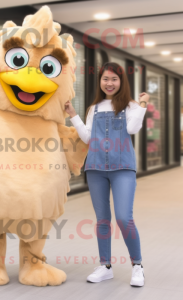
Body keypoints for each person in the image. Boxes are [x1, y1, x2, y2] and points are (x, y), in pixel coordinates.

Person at [65, 62, 149, 287]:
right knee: (102, 220)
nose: (109, 83)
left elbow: (132, 129)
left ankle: (137, 265)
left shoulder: (130, 106)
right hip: (96, 168)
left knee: (124, 217)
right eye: (105, 79)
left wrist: (142, 104)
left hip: (123, 167)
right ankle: (105, 266)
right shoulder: (94, 108)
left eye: (114, 79)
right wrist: (73, 114)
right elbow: (87, 137)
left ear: (121, 82)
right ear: (100, 81)